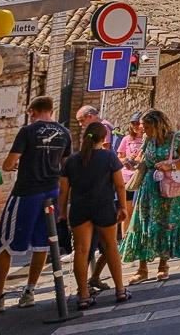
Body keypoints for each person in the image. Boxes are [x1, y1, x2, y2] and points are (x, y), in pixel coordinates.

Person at [0, 96, 71, 311]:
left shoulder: (28, 131)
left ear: (32, 112)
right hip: (52, 192)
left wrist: (15, 165)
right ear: (51, 110)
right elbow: (65, 165)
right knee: (42, 243)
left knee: (4, 244)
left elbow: (9, 164)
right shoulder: (64, 133)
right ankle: (29, 292)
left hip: (26, 192)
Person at [59, 121, 130, 308]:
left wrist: (62, 213)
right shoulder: (109, 157)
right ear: (103, 138)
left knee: (81, 250)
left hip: (79, 208)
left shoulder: (71, 161)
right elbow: (120, 185)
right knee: (111, 246)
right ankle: (120, 290)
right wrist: (123, 207)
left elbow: (64, 191)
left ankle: (83, 295)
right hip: (104, 206)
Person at [120, 110, 180, 283]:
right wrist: (132, 162)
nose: (143, 130)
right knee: (142, 225)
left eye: (146, 127)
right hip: (148, 188)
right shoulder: (148, 139)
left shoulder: (177, 138)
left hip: (169, 190)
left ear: (157, 124)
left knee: (165, 224)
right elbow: (142, 160)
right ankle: (142, 269)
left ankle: (163, 265)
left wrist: (171, 166)